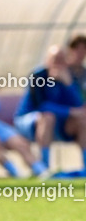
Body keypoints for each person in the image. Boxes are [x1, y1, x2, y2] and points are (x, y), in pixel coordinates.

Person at [14, 45, 86, 173]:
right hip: (29, 121)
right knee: (48, 117)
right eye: (54, 59)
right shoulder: (38, 76)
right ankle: (44, 168)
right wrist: (69, 112)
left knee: (82, 121)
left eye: (61, 59)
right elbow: (41, 106)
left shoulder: (69, 76)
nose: (58, 63)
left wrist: (68, 84)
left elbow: (78, 106)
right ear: (47, 60)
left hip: (58, 122)